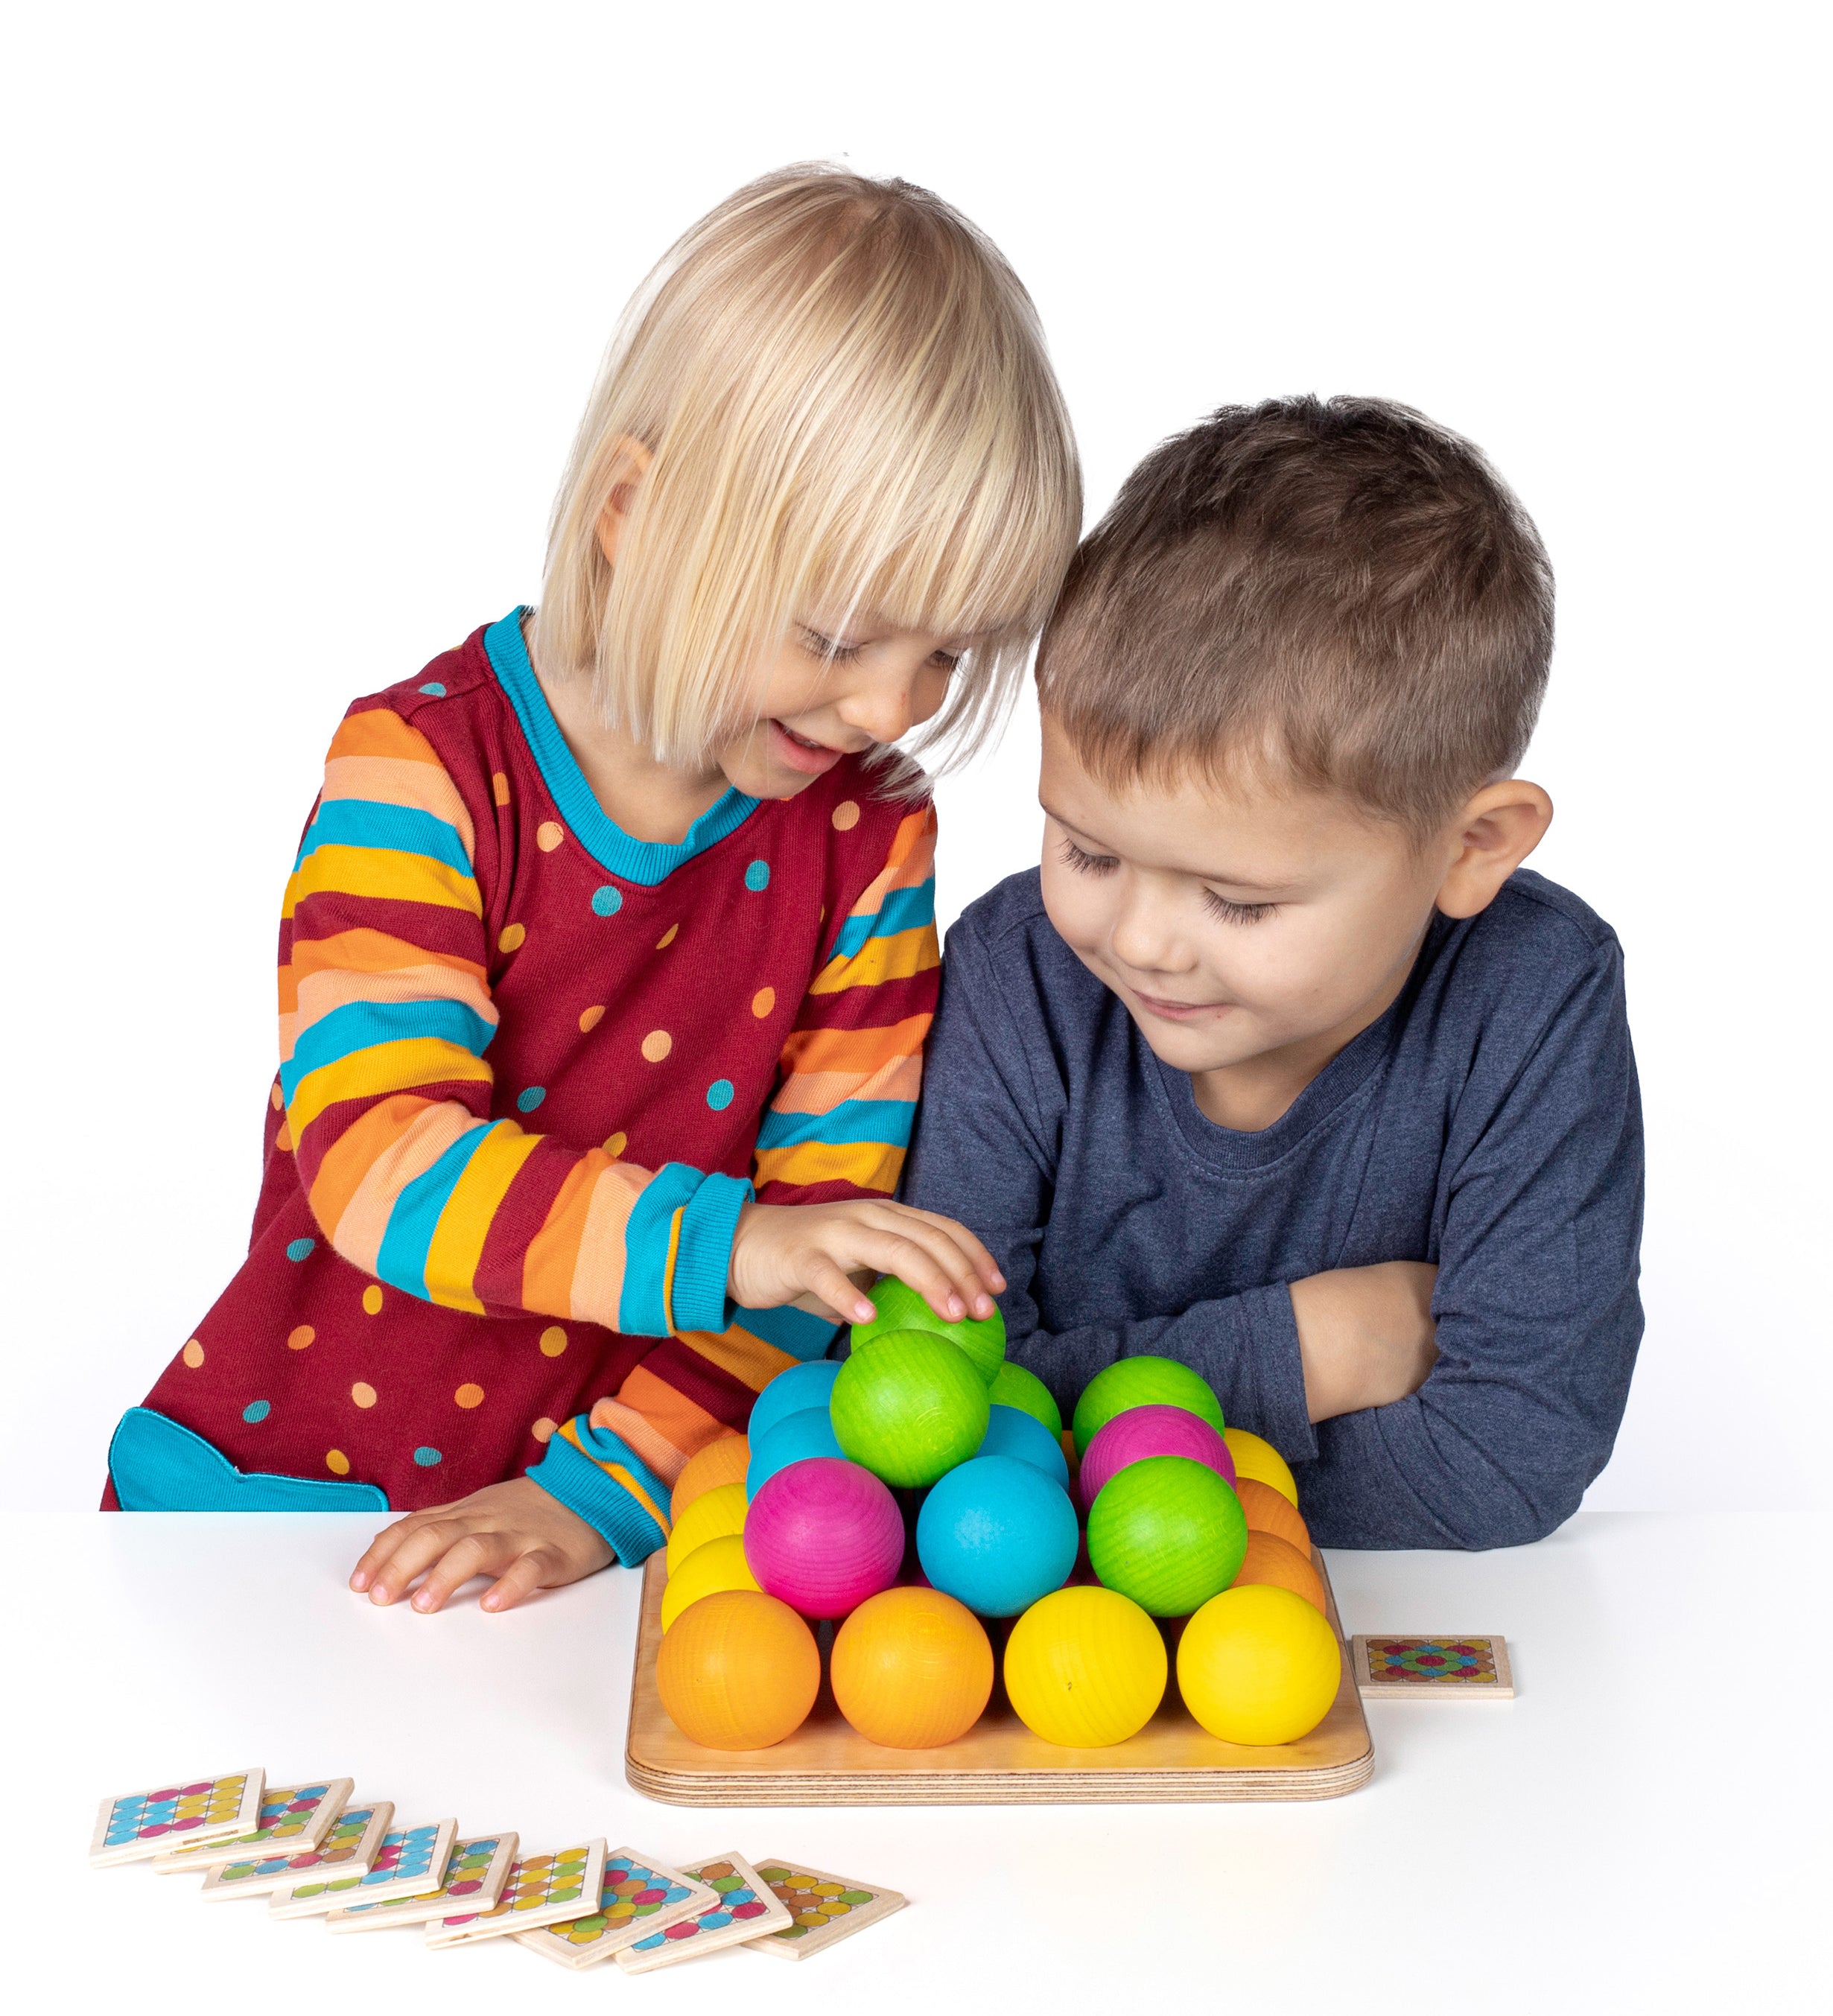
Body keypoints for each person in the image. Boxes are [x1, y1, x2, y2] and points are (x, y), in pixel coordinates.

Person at [107, 165, 1081, 1609]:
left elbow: (830, 1237)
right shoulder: (425, 767)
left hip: (612, 1534)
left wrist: (602, 1493)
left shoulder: (869, 833)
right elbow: (379, 1158)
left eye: (945, 653)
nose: (889, 706)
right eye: (835, 635)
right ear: (634, 509)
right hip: (294, 1502)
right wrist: (739, 1241)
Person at [904, 396, 1642, 1548]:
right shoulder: (1018, 976)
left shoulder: (1533, 994)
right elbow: (920, 1423)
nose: (1141, 940)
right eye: (1086, 849)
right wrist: (1307, 1350)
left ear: (1470, 848)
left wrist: (1076, 1466)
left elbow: (1508, 1457)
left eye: (1237, 900)